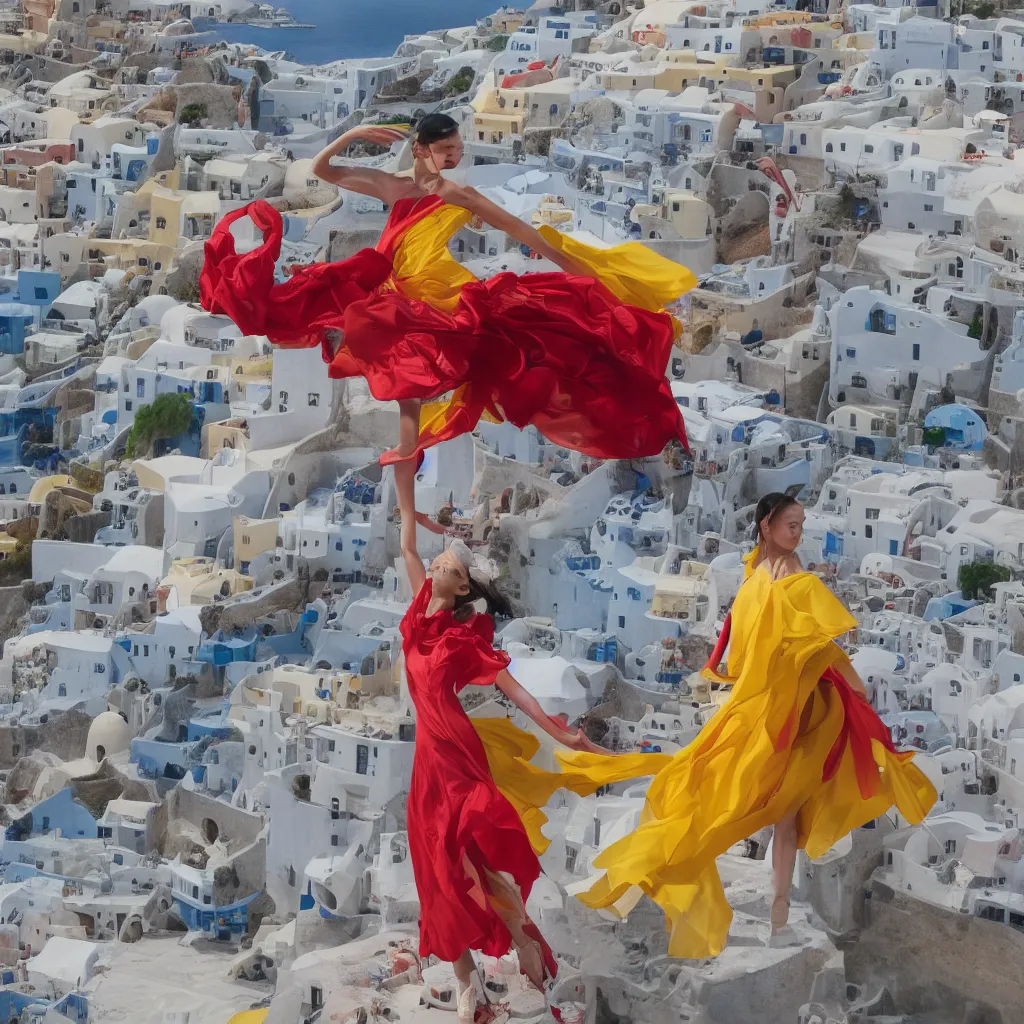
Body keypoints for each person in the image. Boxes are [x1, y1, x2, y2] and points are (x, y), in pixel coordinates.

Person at [549, 492, 937, 958]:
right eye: (791, 525)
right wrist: (856, 686)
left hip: (772, 709)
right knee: (756, 807)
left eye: (802, 524)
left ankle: (752, 909)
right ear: (766, 525)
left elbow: (761, 651)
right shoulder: (787, 580)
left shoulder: (756, 579)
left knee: (736, 797)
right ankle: (762, 916)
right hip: (787, 713)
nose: (798, 533)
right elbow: (821, 647)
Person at [199, 113, 695, 465]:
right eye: (445, 150)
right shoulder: (393, 186)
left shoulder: (458, 194)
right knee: (376, 348)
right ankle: (410, 444)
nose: (455, 158)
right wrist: (350, 134)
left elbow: (523, 233)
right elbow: (323, 171)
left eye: (458, 150)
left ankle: (412, 444)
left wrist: (579, 268)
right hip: (389, 282)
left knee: (537, 337)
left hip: (436, 289)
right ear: (421, 150)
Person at [394, 456, 604, 1023]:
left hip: (457, 758)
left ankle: (522, 944)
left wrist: (564, 734)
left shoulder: (463, 639)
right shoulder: (418, 615)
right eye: (444, 557)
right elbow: (408, 540)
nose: (442, 558)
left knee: (472, 862)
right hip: (426, 767)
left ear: (460, 584)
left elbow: (514, 691)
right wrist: (404, 466)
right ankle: (470, 983)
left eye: (451, 562)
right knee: (432, 870)